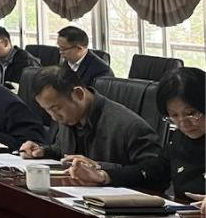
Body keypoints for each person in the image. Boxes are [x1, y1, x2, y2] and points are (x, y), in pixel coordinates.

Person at [20, 66, 169, 192]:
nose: (54, 117)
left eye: (56, 108)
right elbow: (63, 150)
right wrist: (42, 151)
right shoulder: (69, 117)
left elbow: (157, 175)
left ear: (78, 94)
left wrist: (99, 169)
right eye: (47, 110)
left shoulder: (130, 126)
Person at [156, 67, 205, 206]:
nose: (183, 123)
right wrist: (106, 176)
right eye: (174, 115)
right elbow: (155, 171)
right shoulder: (180, 138)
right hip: (186, 216)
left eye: (191, 113)